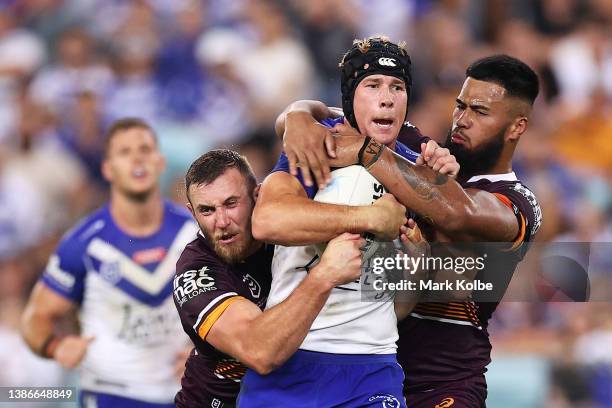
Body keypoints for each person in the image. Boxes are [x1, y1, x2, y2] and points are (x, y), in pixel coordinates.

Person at [282, 54, 543, 407]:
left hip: (444, 384)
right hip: (369, 372)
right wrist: (297, 115)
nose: (461, 121)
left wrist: (366, 150)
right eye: (460, 106)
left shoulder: (519, 203)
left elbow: (457, 213)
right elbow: (335, 115)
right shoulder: (417, 153)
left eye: (479, 112)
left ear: (516, 127)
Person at [240, 36, 458, 407]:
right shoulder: (320, 146)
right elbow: (267, 221)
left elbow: (395, 307)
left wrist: (418, 269)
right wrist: (369, 217)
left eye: (397, 87)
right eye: (372, 86)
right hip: (295, 358)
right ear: (350, 98)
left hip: (372, 366)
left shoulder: (415, 170)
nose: (387, 97)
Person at [21, 118, 198, 408]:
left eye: (145, 149)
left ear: (160, 162)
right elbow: (35, 319)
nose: (137, 157)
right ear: (107, 168)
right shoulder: (83, 243)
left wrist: (207, 351)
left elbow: (237, 300)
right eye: (125, 152)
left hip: (185, 392)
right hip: (110, 394)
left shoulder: (194, 232)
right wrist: (56, 346)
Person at [173, 149, 365, 407]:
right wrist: (325, 275)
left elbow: (389, 313)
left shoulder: (294, 236)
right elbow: (261, 352)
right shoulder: (195, 273)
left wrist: (300, 110)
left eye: (231, 204)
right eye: (206, 210)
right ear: (192, 213)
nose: (221, 221)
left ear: (257, 195)